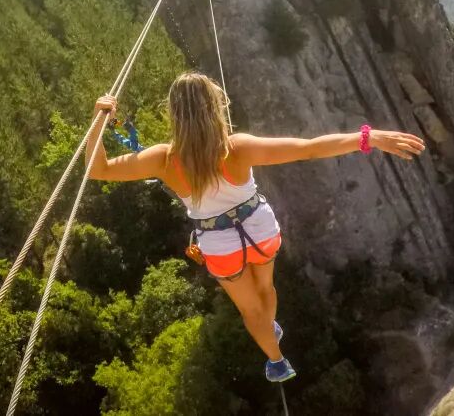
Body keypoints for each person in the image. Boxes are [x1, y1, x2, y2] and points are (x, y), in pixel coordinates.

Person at [87, 71, 425, 383]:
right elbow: (308, 149)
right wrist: (369, 137)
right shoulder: (236, 148)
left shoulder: (162, 159)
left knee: (250, 310)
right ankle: (270, 327)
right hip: (260, 229)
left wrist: (99, 119)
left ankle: (277, 361)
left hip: (220, 246)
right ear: (214, 107)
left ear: (173, 114)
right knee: (265, 290)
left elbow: (98, 169)